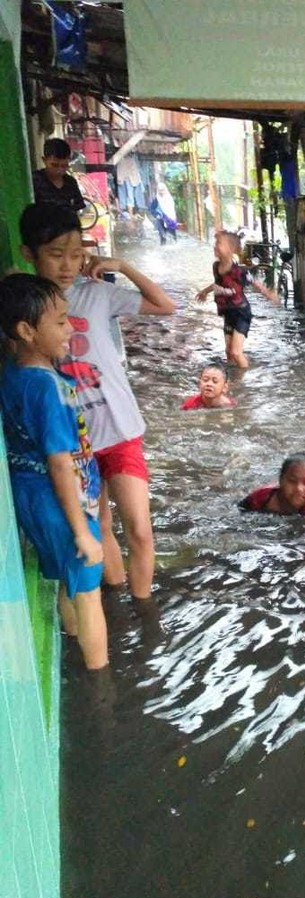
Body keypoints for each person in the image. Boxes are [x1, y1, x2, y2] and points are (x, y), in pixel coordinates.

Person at [19, 202, 177, 622]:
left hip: (120, 430)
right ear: (28, 254)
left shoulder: (97, 294)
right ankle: (117, 603)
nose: (68, 265)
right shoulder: (24, 309)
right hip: (73, 441)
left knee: (140, 530)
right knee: (100, 527)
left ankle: (143, 614)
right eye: (55, 254)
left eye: (76, 254)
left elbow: (165, 306)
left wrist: (121, 265)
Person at [0, 274, 107, 670]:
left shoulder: (14, 372)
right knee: (89, 594)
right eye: (60, 322)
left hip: (31, 494)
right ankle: (101, 685)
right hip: (61, 502)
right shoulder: (48, 387)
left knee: (70, 580)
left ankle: (74, 643)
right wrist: (81, 530)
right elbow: (60, 462)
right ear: (27, 330)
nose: (70, 328)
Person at [195, 229, 279, 368]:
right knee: (228, 352)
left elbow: (254, 282)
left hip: (242, 313)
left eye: (219, 243)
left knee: (236, 352)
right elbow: (218, 283)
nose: (215, 246)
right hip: (228, 314)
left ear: (230, 249)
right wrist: (205, 291)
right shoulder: (216, 267)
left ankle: (242, 382)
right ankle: (231, 378)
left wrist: (269, 295)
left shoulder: (238, 272)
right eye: (215, 243)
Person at [239, 452, 305, 519]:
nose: (299, 489)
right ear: (281, 480)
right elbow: (239, 510)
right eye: (292, 481)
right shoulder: (262, 496)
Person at [32, 138, 86, 214]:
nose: (59, 170)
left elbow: (76, 210)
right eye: (54, 165)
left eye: (64, 166)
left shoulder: (71, 182)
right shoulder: (34, 181)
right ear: (44, 160)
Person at [149, 180, 178, 245]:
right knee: (163, 236)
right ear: (158, 191)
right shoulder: (157, 199)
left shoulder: (169, 198)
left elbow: (172, 210)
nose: (161, 192)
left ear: (165, 190)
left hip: (170, 219)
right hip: (161, 219)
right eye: (160, 190)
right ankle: (163, 249)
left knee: (173, 236)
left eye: (163, 190)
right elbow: (152, 209)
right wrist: (157, 214)